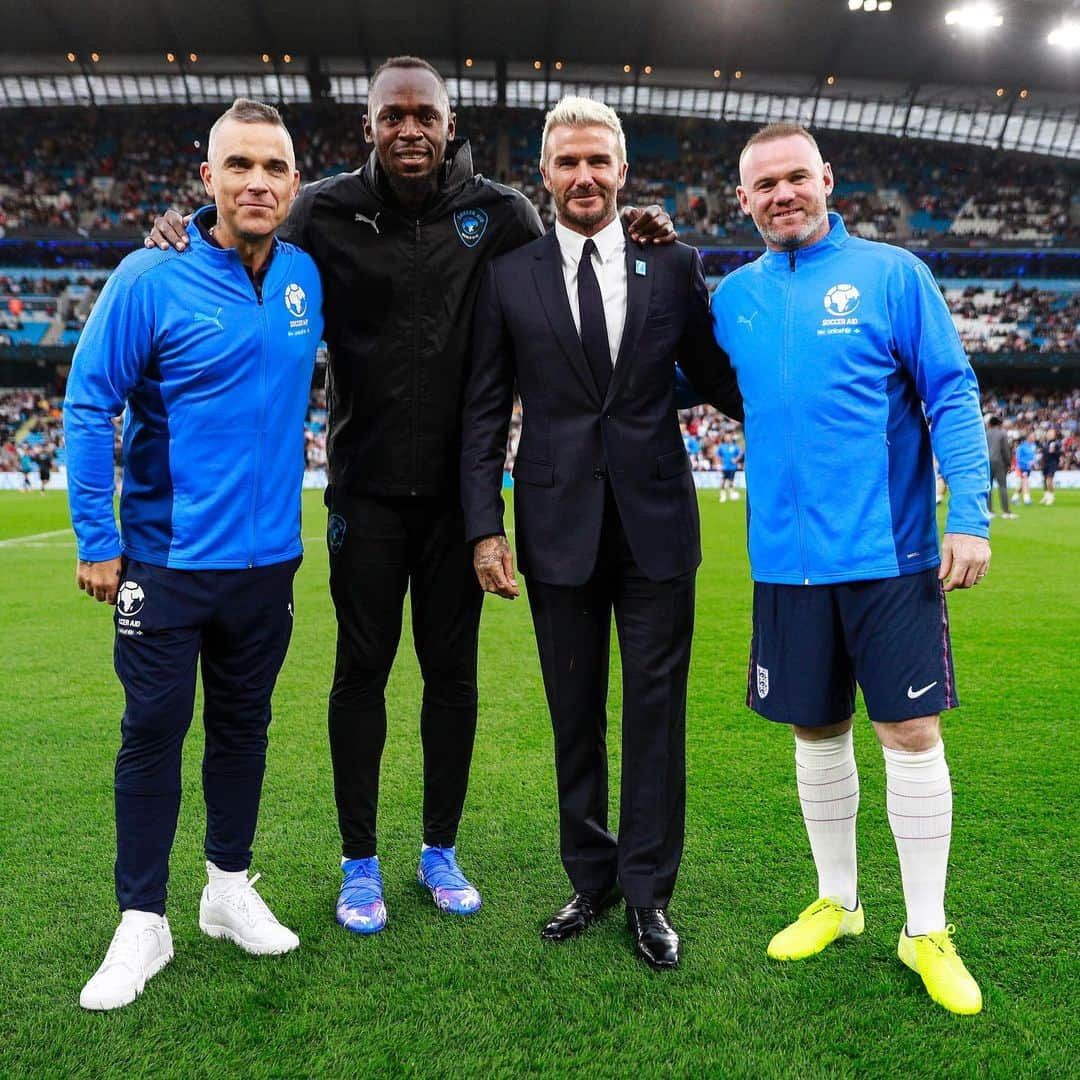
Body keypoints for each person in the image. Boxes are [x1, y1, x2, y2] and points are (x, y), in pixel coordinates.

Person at [149, 57, 676, 935]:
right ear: (368, 127)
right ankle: (359, 861)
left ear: (449, 120)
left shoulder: (501, 215)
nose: (408, 130)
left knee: (451, 676)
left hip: (457, 502)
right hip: (363, 492)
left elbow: (577, 251)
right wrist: (183, 225)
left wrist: (645, 226)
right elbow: (242, 227)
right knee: (360, 671)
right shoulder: (322, 209)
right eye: (391, 116)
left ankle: (439, 848)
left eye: (423, 115)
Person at [711, 123, 989, 1014]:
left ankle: (927, 929)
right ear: (742, 199)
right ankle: (840, 901)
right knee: (815, 733)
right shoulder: (735, 299)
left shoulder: (893, 274)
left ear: (827, 179)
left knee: (910, 736)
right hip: (784, 564)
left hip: (890, 554)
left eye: (798, 177)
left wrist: (970, 516)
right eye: (765, 184)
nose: (783, 194)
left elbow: (951, 390)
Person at [461, 97, 742, 971]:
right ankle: (591, 876)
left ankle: (648, 893)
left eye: (598, 162)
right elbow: (482, 411)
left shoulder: (676, 264)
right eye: (567, 162)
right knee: (572, 713)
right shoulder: (512, 276)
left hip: (657, 526)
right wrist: (484, 528)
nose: (583, 177)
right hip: (556, 528)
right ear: (543, 175)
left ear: (622, 172)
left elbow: (725, 381)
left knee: (656, 716)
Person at [65, 99, 323, 1011]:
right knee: (152, 734)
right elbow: (89, 401)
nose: (258, 182)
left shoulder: (304, 276)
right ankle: (143, 921)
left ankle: (226, 889)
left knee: (243, 731)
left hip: (268, 565)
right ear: (204, 176)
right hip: (165, 564)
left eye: (275, 168)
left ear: (296, 183)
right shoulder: (149, 274)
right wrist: (100, 539)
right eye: (239, 165)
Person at [985, 415, 1016, 518]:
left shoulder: (986, 433)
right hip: (999, 462)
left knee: (988, 487)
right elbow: (1005, 450)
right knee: (1002, 487)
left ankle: (988, 511)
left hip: (987, 463)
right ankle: (1006, 511)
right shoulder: (1002, 433)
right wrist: (1008, 463)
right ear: (998, 424)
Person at [717, 431, 743, 502]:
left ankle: (731, 495)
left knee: (731, 481)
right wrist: (720, 460)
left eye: (728, 437)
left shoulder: (735, 446)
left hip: (732, 467)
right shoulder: (722, 446)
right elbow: (718, 454)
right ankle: (723, 496)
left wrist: (736, 459)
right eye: (726, 437)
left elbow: (740, 453)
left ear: (731, 438)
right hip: (724, 467)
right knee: (723, 481)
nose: (727, 438)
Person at [1039, 429, 1060, 505]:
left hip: (1052, 464)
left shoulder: (1055, 443)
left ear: (1054, 435)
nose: (1048, 434)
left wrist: (1048, 449)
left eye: (1051, 433)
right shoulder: (1046, 443)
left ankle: (1051, 497)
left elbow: (1052, 452)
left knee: (1049, 480)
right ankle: (1046, 496)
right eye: (1048, 433)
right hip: (1045, 463)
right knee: (1044, 481)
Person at [1016, 431, 1037, 505]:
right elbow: (1018, 458)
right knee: (1025, 481)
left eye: (1034, 437)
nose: (1034, 438)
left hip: (1029, 467)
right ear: (1028, 438)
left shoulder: (1034, 446)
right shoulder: (1022, 446)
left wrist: (1033, 462)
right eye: (1032, 437)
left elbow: (1034, 456)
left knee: (1023, 482)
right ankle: (1026, 499)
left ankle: (1015, 498)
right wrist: (1026, 463)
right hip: (1023, 467)